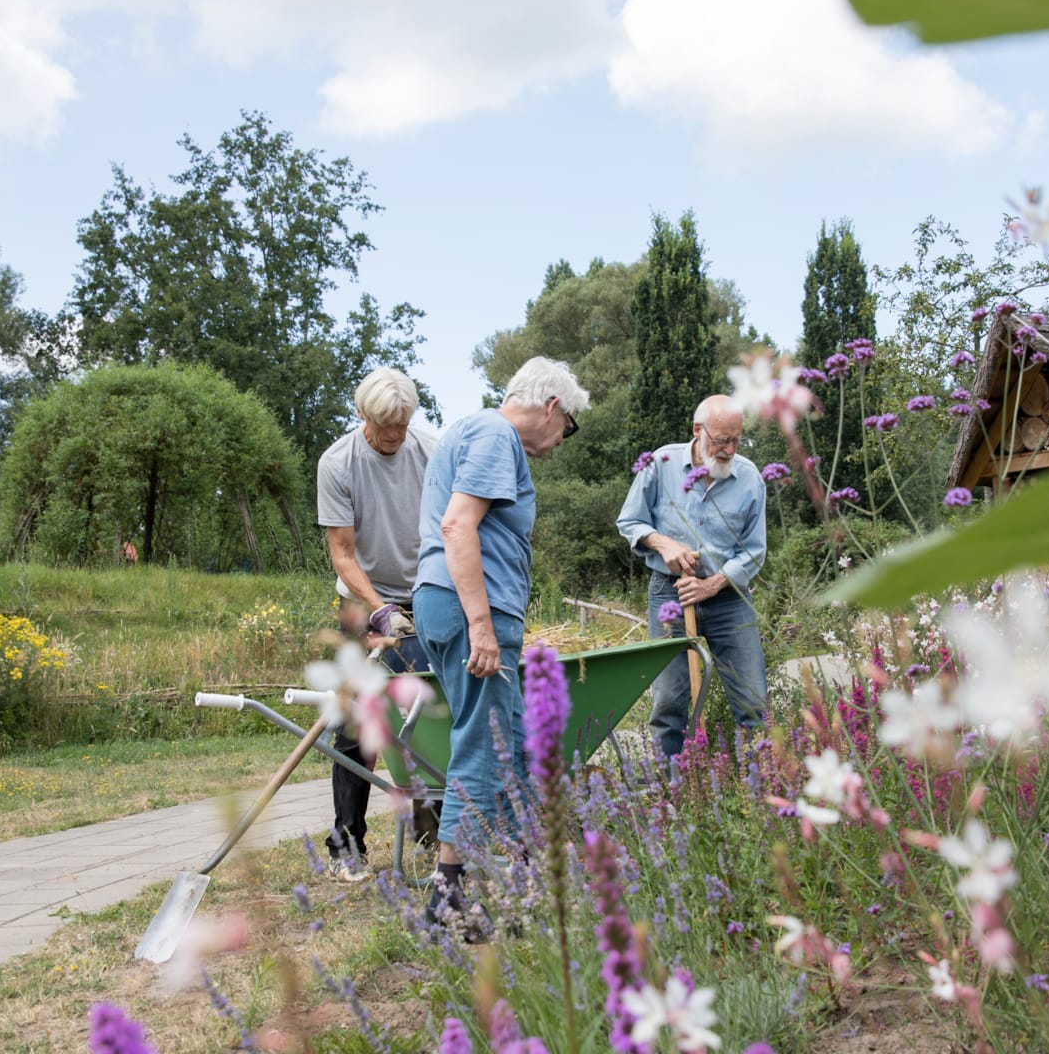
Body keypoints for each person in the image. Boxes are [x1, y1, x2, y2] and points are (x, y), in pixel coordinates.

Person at [412, 356, 588, 925]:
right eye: (569, 427)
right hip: (471, 610)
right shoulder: (494, 434)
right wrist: (482, 627)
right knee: (483, 744)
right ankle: (449, 893)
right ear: (552, 407)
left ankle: (525, 873)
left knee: (511, 740)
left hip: (456, 605)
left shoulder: (472, 430)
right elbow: (458, 525)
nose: (563, 440)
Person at [316, 367, 436, 879]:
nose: (395, 436)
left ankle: (433, 831)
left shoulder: (430, 452)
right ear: (362, 414)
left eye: (403, 424)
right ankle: (348, 845)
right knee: (356, 727)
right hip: (363, 601)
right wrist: (380, 608)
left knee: (429, 716)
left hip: (427, 595)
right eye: (385, 426)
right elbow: (342, 554)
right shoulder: (338, 462)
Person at [616, 394, 769, 759]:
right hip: (670, 595)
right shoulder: (660, 464)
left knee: (752, 701)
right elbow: (630, 521)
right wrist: (663, 544)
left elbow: (754, 550)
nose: (730, 449)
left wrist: (712, 584)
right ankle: (670, 790)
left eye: (737, 440)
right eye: (721, 440)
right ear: (698, 431)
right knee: (669, 701)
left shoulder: (749, 479)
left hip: (729, 597)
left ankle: (762, 789)